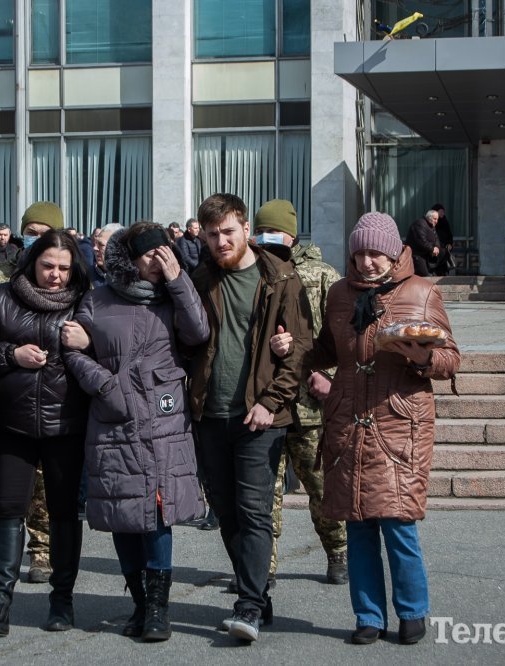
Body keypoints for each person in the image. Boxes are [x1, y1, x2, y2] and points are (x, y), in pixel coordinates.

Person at [305, 212, 460, 646]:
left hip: (399, 424)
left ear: (393, 253)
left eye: (375, 253)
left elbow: (451, 359)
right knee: (357, 525)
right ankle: (368, 616)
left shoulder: (421, 291)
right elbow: (328, 348)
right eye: (360, 253)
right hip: (348, 422)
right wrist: (294, 350)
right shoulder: (339, 294)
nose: (367, 261)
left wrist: (423, 356)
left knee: (398, 523)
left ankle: (412, 611)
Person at [61, 222, 208, 642]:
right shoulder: (97, 299)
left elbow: (198, 332)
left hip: (163, 419)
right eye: (150, 254)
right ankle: (140, 604)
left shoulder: (174, 295)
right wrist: (105, 385)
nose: (159, 260)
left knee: (159, 512)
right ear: (131, 258)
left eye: (166, 252)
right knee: (123, 513)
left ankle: (159, 609)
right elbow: (72, 351)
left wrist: (178, 281)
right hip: (114, 418)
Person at [188, 193, 313, 642]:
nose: (220, 241)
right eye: (211, 234)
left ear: (245, 229)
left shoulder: (281, 277)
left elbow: (300, 348)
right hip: (209, 415)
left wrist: (271, 402)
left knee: (254, 511)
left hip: (260, 417)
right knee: (226, 512)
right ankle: (257, 594)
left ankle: (248, 606)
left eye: (227, 232)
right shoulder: (201, 278)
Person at [0, 230, 91, 636]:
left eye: (64, 269)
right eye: (48, 266)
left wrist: (88, 340)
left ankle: (62, 602)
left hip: (66, 425)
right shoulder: (3, 297)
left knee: (64, 515)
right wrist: (11, 354)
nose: (55, 275)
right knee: (8, 511)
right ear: (32, 262)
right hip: (12, 424)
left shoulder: (86, 300)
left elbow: (111, 350)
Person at [0, 203, 64, 585]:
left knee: (46, 484)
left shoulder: (63, 275)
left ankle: (43, 553)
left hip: (51, 392)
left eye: (43, 231)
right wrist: (7, 342)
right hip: (6, 388)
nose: (35, 237)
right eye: (30, 231)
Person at [252, 199, 348, 588]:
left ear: (292, 235)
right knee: (265, 494)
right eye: (261, 231)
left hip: (310, 406)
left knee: (321, 487)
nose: (266, 238)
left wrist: (330, 376)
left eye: (273, 231)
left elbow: (343, 336)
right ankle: (263, 567)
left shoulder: (322, 275)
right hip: (266, 402)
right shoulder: (252, 272)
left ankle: (338, 552)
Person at [405, 210, 442, 277]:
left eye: (437, 219)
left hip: (426, 256)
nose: (436, 221)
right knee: (424, 276)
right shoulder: (419, 224)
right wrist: (432, 249)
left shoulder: (431, 226)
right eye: (435, 219)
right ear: (429, 217)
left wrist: (436, 247)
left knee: (430, 275)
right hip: (417, 256)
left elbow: (436, 238)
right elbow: (421, 241)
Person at [90, 223, 124, 287]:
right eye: (96, 243)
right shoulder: (87, 274)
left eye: (101, 244)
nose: (95, 248)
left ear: (117, 248)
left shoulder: (129, 279)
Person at [430, 204, 455, 275]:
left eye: (443, 212)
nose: (442, 213)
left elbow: (449, 235)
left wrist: (450, 244)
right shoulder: (431, 222)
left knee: (443, 271)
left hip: (444, 251)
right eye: (440, 211)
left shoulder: (445, 222)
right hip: (435, 251)